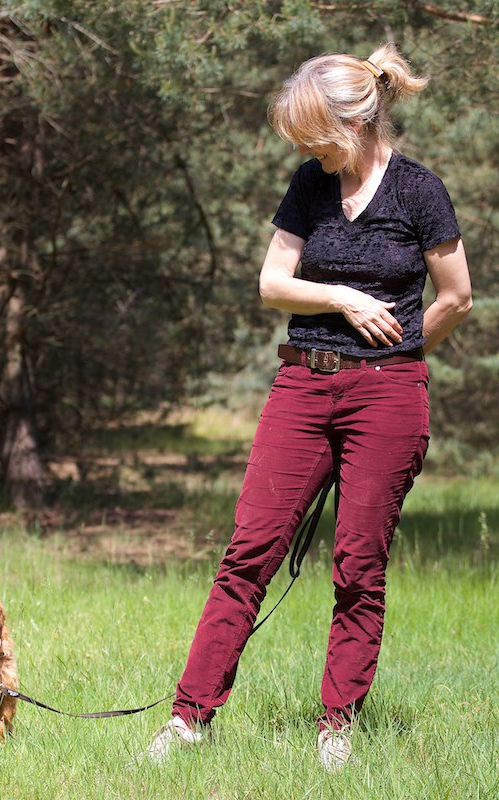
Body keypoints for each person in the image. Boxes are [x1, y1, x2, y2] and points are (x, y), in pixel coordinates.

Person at [144, 43, 473, 770]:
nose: (302, 149)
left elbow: (457, 297)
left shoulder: (420, 191)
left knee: (359, 564)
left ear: (351, 124)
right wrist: (343, 298)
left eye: (311, 136)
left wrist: (401, 353)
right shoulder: (309, 184)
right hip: (302, 386)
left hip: (387, 395)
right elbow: (273, 283)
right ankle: (188, 719)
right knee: (248, 553)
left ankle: (337, 728)